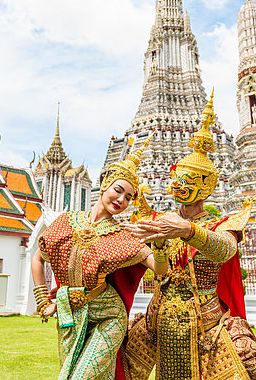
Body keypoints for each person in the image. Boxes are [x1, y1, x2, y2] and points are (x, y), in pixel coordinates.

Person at [123, 92, 256, 380]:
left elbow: (224, 250)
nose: (177, 186)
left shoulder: (221, 223)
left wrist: (188, 231)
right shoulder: (161, 222)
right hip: (158, 320)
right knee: (113, 360)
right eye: (175, 180)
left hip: (207, 325)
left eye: (185, 181)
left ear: (205, 186)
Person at [31, 134, 168, 380]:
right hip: (69, 311)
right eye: (119, 191)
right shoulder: (66, 222)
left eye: (129, 198)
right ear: (104, 184)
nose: (122, 200)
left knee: (80, 377)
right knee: (71, 373)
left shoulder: (121, 235)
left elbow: (158, 269)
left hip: (108, 314)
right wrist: (43, 302)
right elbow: (38, 259)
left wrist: (159, 246)